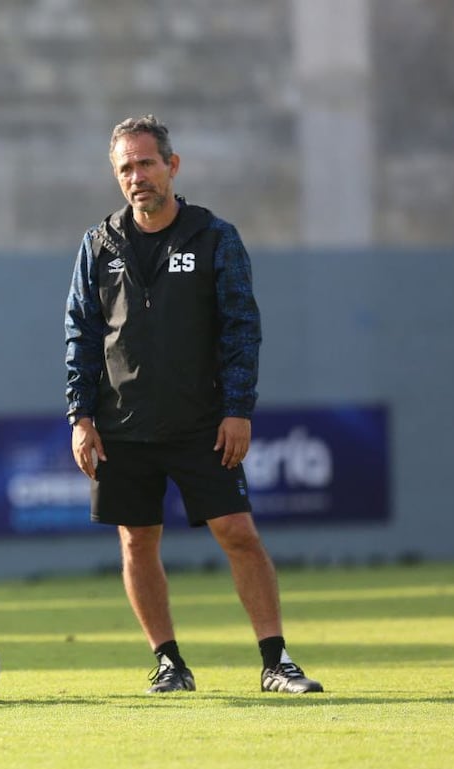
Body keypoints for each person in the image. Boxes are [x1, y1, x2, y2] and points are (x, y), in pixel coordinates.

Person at [64, 115, 323, 695]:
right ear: (116, 174)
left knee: (237, 532)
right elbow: (80, 334)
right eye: (126, 167)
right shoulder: (98, 243)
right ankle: (168, 662)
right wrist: (81, 416)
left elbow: (241, 328)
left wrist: (239, 408)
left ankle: (276, 661)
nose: (138, 176)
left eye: (147, 163)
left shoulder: (213, 237)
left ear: (172, 166)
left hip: (202, 423)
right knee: (136, 539)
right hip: (121, 424)